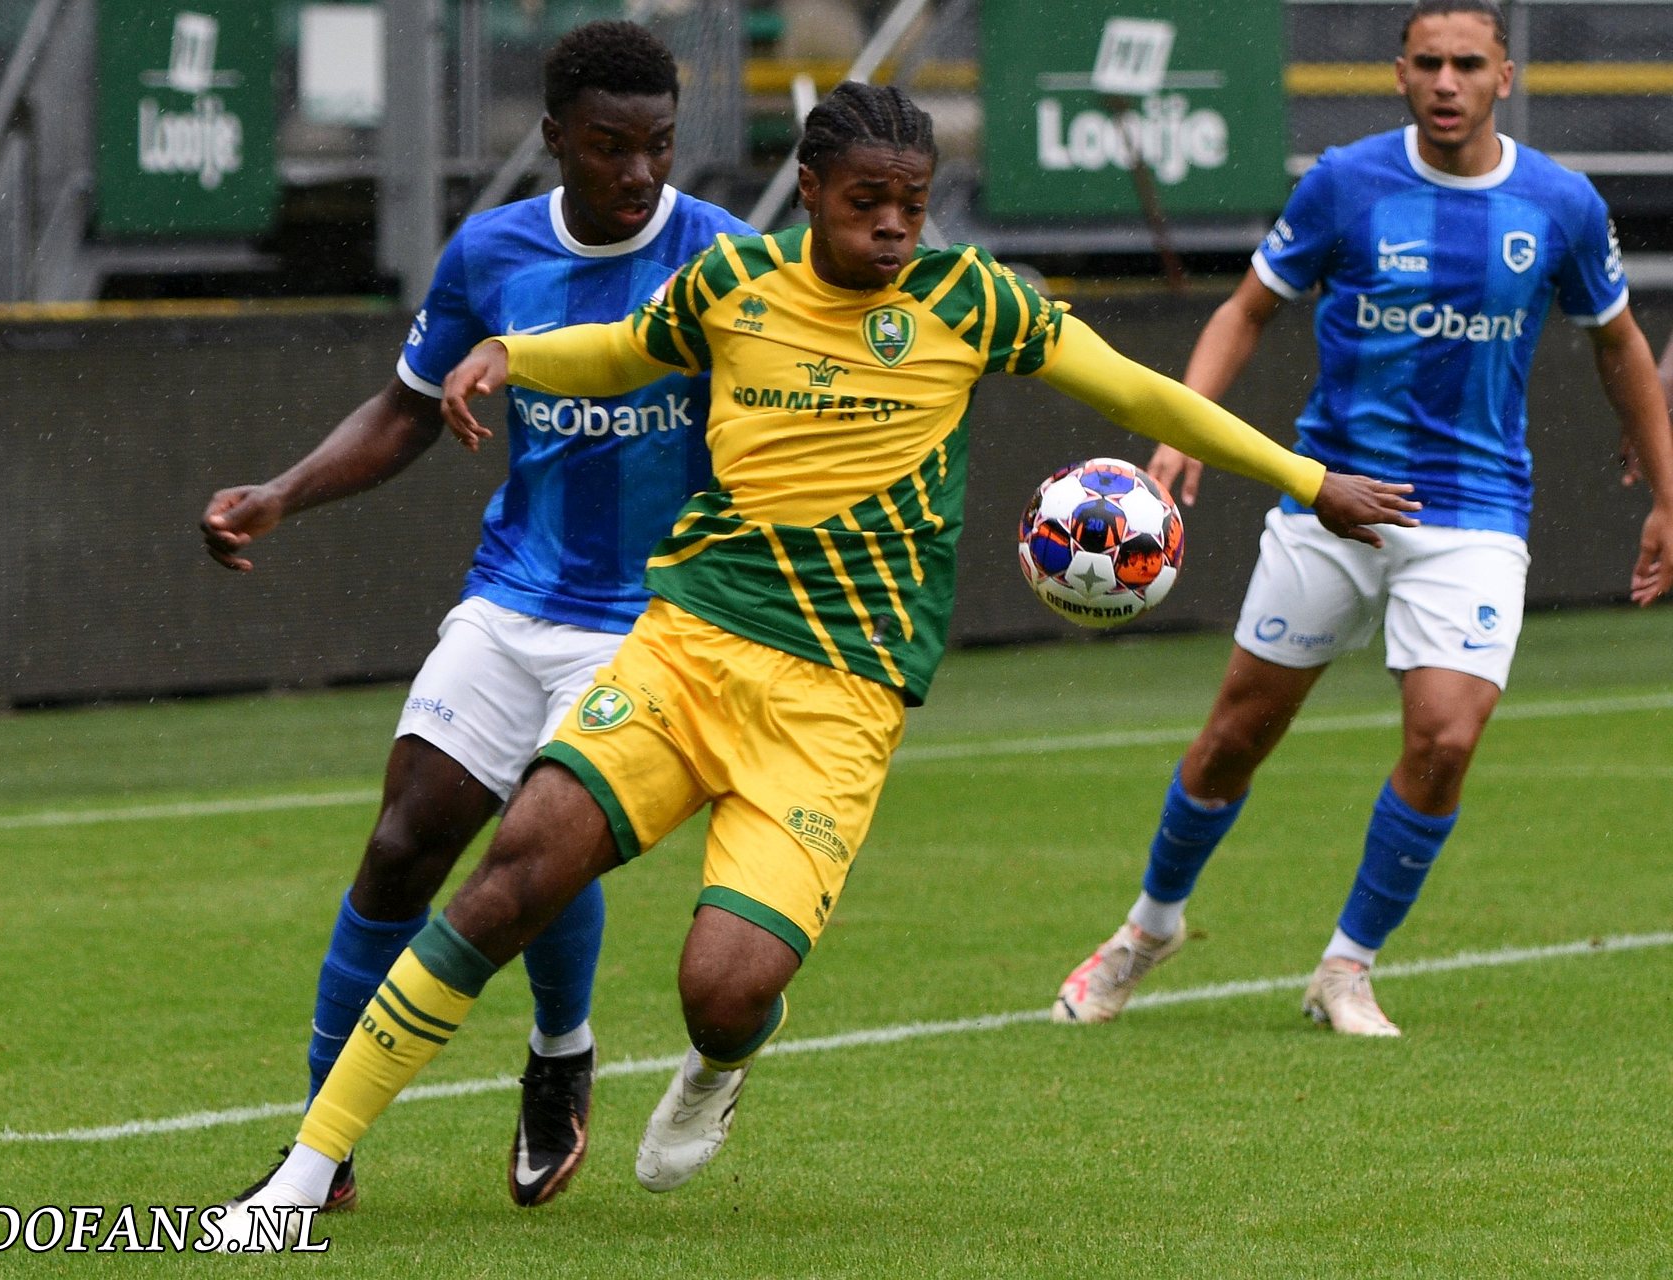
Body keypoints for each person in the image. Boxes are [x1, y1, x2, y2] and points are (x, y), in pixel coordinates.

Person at [217, 81, 1415, 1245]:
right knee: (506, 879)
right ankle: (305, 1174)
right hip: (687, 647)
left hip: (838, 699)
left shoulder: (970, 301)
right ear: (812, 190)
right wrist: (512, 356)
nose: (893, 225)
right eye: (867, 201)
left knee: (723, 988)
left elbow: (1146, 388)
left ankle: (717, 1065)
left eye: (911, 201)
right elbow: (626, 351)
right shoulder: (730, 281)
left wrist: (1315, 481)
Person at [199, 20, 753, 1211]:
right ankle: (325, 1145)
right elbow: (404, 409)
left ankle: (560, 1052)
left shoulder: (727, 263)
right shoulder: (492, 251)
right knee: (405, 842)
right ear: (555, 138)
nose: (640, 172)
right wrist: (282, 494)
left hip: (652, 617)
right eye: (610, 146)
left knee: (534, 847)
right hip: (514, 594)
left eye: (659, 146)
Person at [1052, 0, 1673, 1037]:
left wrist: (1666, 492)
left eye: (1467, 63)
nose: (1445, 82)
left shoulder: (1559, 205)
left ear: (1503, 78)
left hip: (1474, 512)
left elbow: (1620, 347)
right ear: (1397, 73)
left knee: (1445, 738)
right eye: (1426, 62)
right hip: (1328, 502)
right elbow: (1245, 309)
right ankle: (1147, 929)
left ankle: (1346, 966)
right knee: (1235, 737)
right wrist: (1185, 432)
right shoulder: (1345, 182)